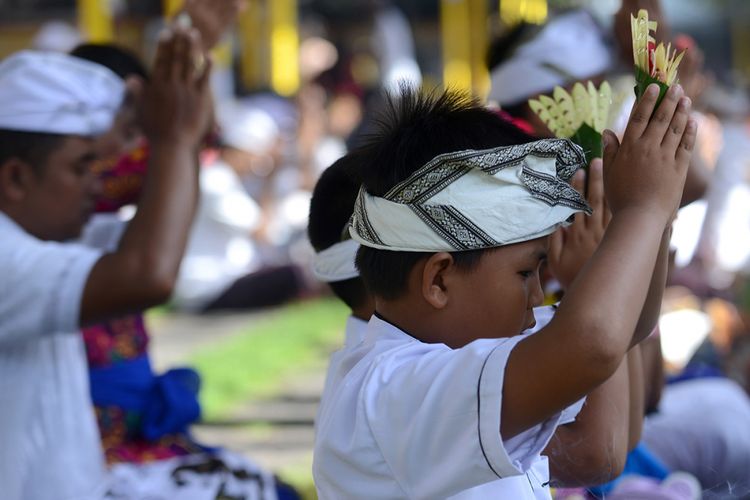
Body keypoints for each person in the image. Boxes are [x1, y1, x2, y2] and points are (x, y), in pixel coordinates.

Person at [312, 82, 696, 498]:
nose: (537, 298)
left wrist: (658, 214)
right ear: (439, 279)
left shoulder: (467, 347)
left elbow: (628, 327)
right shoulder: (387, 391)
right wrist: (642, 210)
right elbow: (595, 346)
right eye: (526, 273)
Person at [0, 27, 212, 500]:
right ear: (15, 178)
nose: (98, 183)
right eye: (80, 167)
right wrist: (175, 138)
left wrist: (182, 129)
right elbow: (149, 274)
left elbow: (160, 236)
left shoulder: (42, 237)